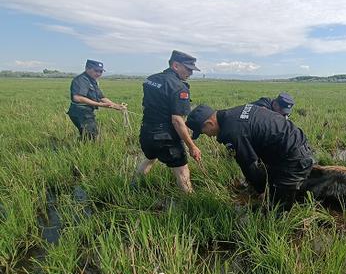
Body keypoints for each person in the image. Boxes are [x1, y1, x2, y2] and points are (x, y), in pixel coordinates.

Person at [185, 103, 314, 210]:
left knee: (278, 208)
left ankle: (280, 231)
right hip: (292, 145)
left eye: (203, 132)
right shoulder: (234, 112)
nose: (207, 135)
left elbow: (248, 165)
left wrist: (261, 190)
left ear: (209, 124)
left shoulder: (232, 132)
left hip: (293, 158)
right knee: (274, 187)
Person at [135, 50, 202, 193]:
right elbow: (177, 120)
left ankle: (134, 187)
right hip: (165, 137)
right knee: (182, 170)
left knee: (150, 158)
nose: (190, 73)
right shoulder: (179, 87)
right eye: (188, 69)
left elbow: (146, 105)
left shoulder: (150, 79)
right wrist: (192, 146)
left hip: (146, 132)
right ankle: (191, 201)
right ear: (176, 65)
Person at [67, 59, 124, 140]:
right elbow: (77, 98)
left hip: (86, 112)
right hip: (80, 112)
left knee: (87, 136)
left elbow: (101, 97)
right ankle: (86, 150)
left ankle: (81, 148)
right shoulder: (81, 80)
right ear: (87, 69)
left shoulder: (92, 81)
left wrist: (115, 106)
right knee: (91, 137)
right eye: (96, 71)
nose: (99, 74)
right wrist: (101, 105)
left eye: (101, 71)